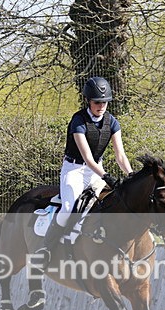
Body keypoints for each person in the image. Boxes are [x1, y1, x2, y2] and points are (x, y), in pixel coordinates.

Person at [37, 76, 133, 264]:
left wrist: (130, 175)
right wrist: (106, 176)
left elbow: (120, 156)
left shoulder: (112, 122)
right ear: (88, 101)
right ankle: (46, 249)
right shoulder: (78, 121)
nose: (101, 106)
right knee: (67, 208)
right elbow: (87, 158)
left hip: (95, 171)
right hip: (74, 170)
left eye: (105, 102)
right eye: (97, 102)